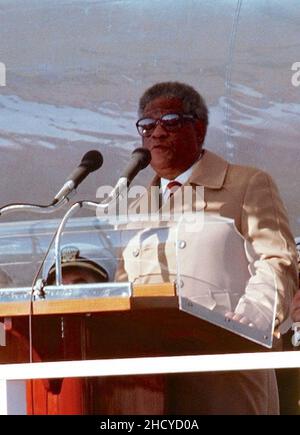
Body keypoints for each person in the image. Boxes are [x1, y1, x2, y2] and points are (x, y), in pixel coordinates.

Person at [119, 81, 299, 414]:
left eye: (169, 122)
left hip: (226, 369)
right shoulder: (135, 208)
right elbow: (120, 287)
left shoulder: (246, 184)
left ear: (199, 128)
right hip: (145, 382)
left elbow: (277, 260)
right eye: (147, 125)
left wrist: (251, 319)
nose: (156, 133)